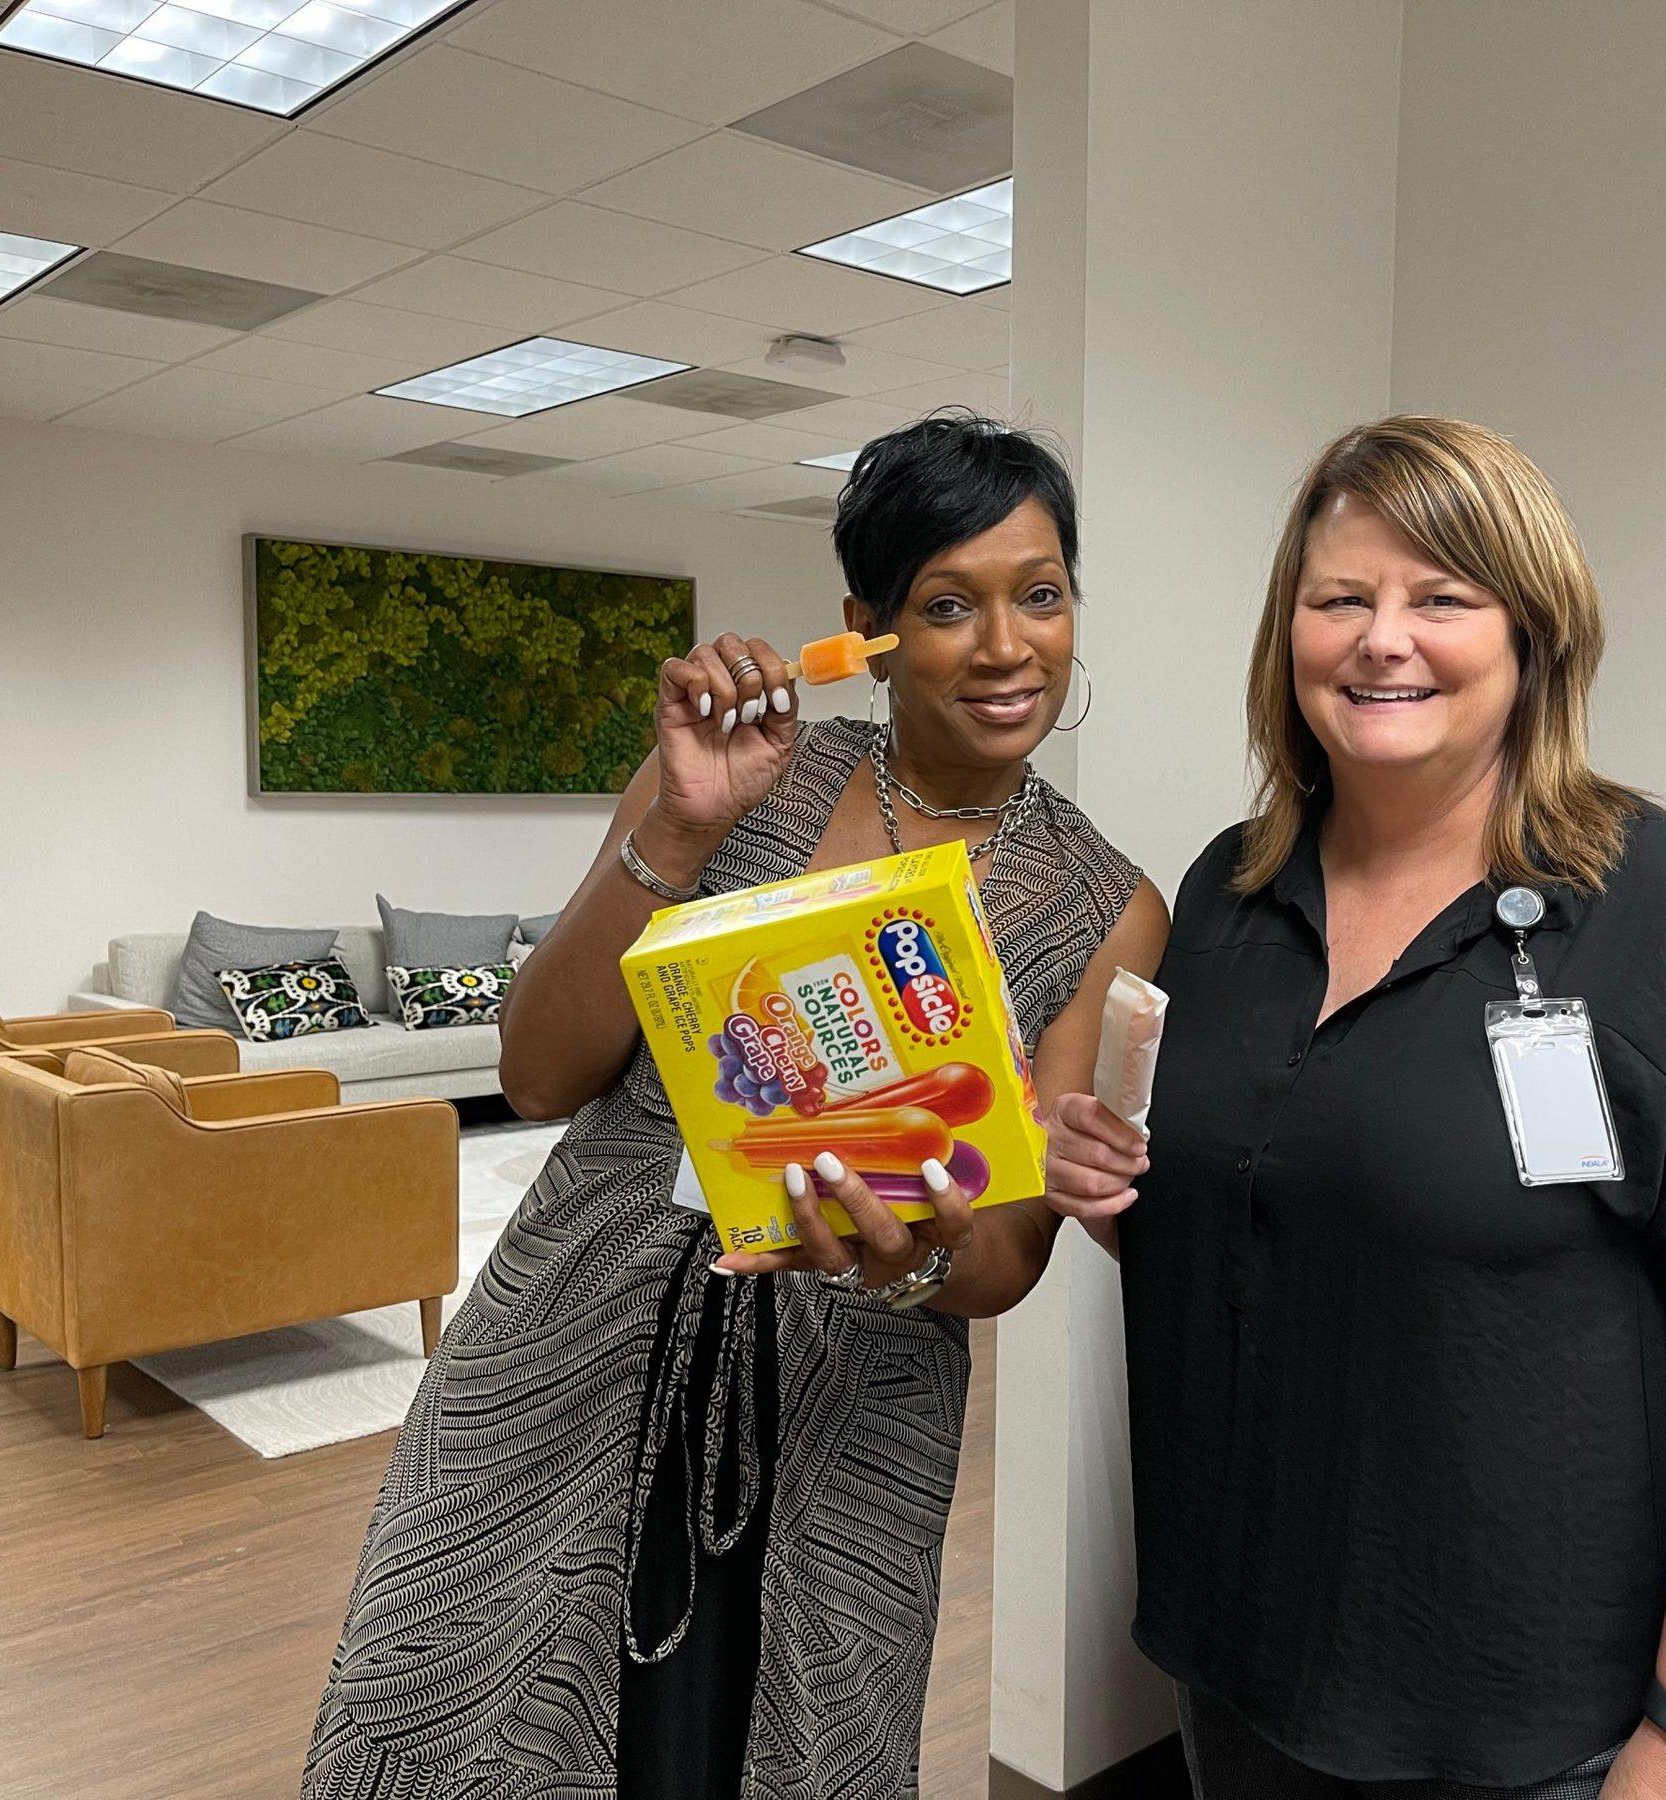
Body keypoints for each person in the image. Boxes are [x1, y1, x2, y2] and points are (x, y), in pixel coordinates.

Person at [303, 413, 1167, 1800]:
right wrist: (682, 831)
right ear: (868, 628)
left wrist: (916, 1252)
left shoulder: (1102, 904)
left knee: (769, 1752)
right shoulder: (745, 775)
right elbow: (537, 1071)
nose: (1008, 646)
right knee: (462, 1710)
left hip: (849, 1406)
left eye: (1042, 593)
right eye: (949, 605)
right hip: (580, 1335)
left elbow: (1006, 1255)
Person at [1045, 417, 1666, 1800]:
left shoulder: (1662, 905)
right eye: (1340, 598)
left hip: (1533, 1732)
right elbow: (1262, 1228)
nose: (1382, 639)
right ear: (1287, 632)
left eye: (1441, 599)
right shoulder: (1230, 899)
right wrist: (1117, 1183)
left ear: (1533, 635)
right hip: (1244, 1677)